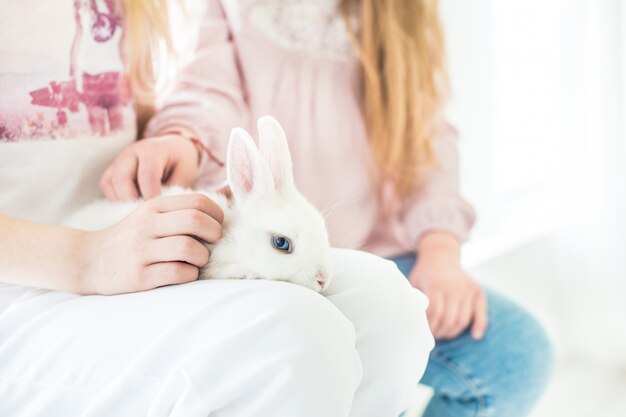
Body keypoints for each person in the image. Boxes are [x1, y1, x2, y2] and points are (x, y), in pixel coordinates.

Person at [102, 1, 555, 417]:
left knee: (516, 358)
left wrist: (440, 249)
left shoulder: (404, 12)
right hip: (264, 260)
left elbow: (427, 136)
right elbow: (206, 90)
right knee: (341, 379)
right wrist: (184, 137)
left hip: (374, 249)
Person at [0, 1, 433, 416]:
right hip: (29, 280)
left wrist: (177, 142)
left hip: (115, 247)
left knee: (387, 310)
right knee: (291, 336)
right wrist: (85, 257)